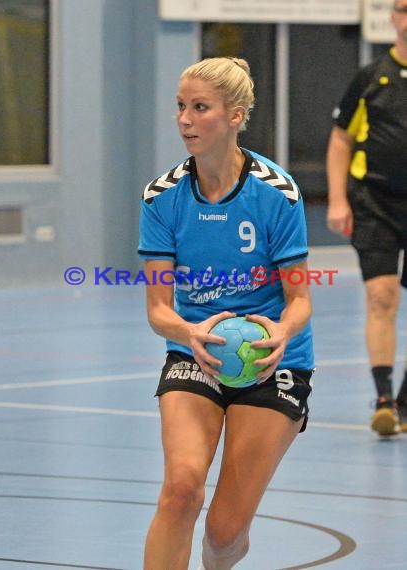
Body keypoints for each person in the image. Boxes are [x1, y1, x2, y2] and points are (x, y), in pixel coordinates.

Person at [138, 56, 314, 570]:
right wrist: (189, 331)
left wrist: (279, 330)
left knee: (223, 531)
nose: (185, 120)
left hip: (270, 360)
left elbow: (300, 300)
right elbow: (157, 310)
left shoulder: (276, 193)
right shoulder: (163, 196)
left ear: (235, 116)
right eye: (180, 107)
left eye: (200, 108)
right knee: (180, 490)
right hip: (196, 348)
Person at [326, 0, 407, 437]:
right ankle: (383, 400)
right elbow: (341, 140)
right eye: (403, 9)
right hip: (374, 202)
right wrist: (338, 199)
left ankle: (406, 401)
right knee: (382, 297)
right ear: (393, 17)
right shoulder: (370, 79)